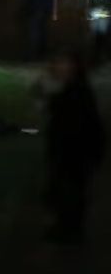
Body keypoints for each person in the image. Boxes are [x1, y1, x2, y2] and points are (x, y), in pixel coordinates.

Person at [44, 53, 105, 243]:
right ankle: (68, 228)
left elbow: (80, 125)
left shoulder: (78, 93)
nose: (57, 68)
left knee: (71, 192)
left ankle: (69, 231)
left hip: (74, 154)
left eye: (63, 63)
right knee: (68, 192)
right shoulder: (72, 90)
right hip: (71, 153)